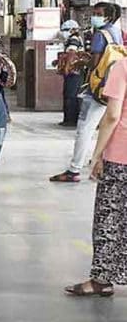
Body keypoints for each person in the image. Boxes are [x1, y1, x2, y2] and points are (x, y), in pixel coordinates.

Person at [65, 58, 127, 297]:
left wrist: (97, 154)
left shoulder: (122, 66)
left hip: (121, 157)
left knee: (109, 219)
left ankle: (102, 280)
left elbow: (112, 115)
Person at [50, 2, 124, 182]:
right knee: (108, 125)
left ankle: (74, 170)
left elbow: (95, 63)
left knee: (85, 129)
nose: (94, 16)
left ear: (107, 17)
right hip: (112, 85)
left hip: (97, 87)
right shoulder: (116, 33)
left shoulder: (100, 35)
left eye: (98, 13)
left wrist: (79, 62)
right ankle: (102, 159)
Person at [57, 20, 87, 127]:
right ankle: (71, 118)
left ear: (73, 30)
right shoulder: (77, 38)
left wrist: (67, 68)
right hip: (77, 71)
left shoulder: (73, 39)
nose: (64, 32)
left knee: (70, 94)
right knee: (73, 93)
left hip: (74, 71)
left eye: (66, 30)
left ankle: (70, 120)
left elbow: (71, 53)